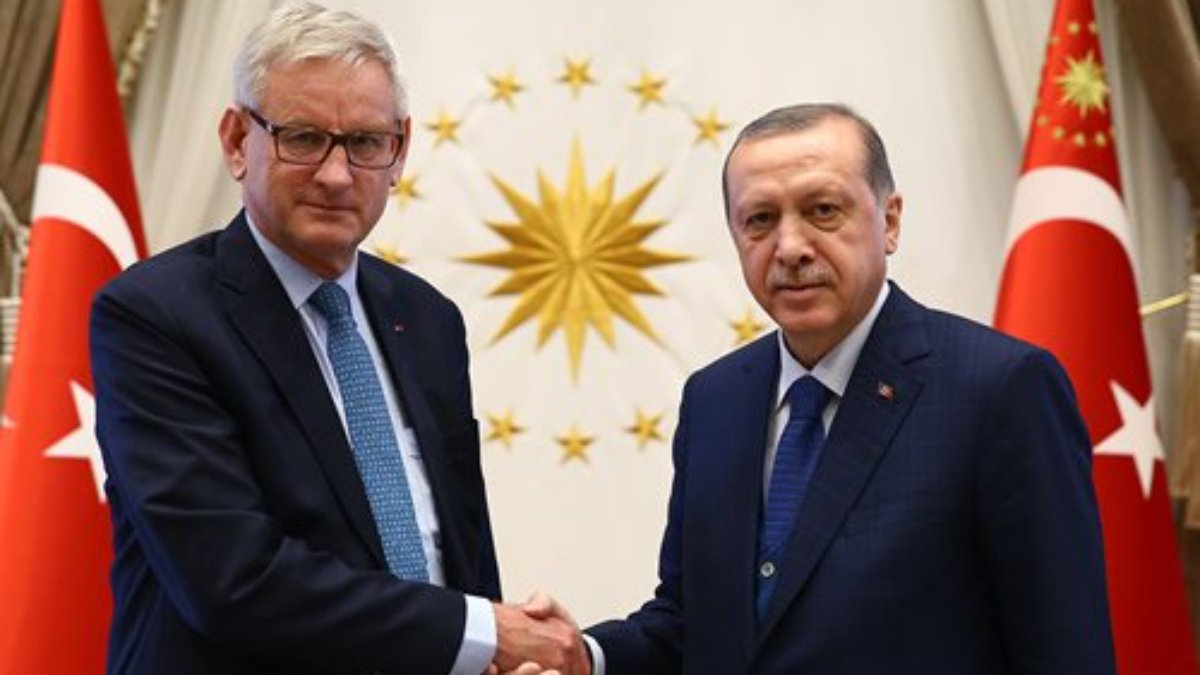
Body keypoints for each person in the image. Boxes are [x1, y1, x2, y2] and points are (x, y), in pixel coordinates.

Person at [90, 3, 587, 674]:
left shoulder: (427, 318)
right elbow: (233, 579)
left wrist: (497, 650)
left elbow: (457, 552)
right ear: (237, 140)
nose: (335, 174)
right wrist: (485, 633)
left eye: (365, 143)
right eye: (302, 138)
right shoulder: (155, 315)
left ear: (399, 150)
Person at [557, 103, 1117, 674]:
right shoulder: (714, 400)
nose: (790, 247)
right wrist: (583, 656)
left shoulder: (999, 389)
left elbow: (1065, 648)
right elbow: (692, 624)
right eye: (760, 220)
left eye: (822, 210)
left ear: (890, 222)